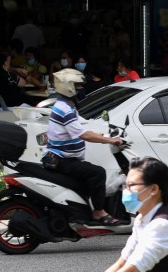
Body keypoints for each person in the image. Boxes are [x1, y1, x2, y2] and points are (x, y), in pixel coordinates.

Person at [45, 68, 126, 226]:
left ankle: (85, 210)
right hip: (63, 160)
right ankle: (98, 212)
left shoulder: (66, 105)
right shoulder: (64, 109)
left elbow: (78, 130)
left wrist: (100, 135)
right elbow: (83, 135)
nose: (80, 88)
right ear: (67, 87)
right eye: (77, 86)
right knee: (98, 173)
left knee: (90, 172)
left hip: (64, 158)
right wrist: (111, 141)